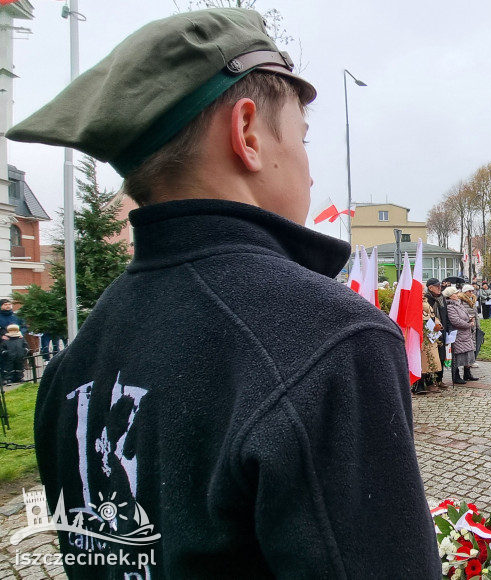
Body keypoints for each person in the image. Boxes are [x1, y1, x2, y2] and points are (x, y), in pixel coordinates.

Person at [6, 9, 440, 577]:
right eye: (303, 137)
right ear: (247, 133)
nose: (310, 173)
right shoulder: (333, 338)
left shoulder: (73, 363)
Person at [446, 286, 479, 384]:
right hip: (458, 334)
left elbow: (465, 314)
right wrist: (468, 324)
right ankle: (456, 375)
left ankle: (467, 373)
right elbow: (455, 320)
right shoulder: (450, 306)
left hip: (466, 334)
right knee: (458, 355)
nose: (457, 295)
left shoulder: (458, 304)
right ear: (450, 296)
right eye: (455, 293)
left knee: (468, 354)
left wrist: (470, 318)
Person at [416, 290, 445, 395]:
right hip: (421, 335)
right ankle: (418, 384)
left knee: (431, 359)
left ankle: (430, 382)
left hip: (431, 335)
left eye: (423, 290)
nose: (423, 292)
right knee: (423, 360)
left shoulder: (427, 302)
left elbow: (433, 316)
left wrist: (438, 324)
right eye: (420, 290)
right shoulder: (413, 303)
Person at [426, 278, 450, 387]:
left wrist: (447, 328)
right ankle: (431, 381)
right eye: (437, 286)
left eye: (440, 286)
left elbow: (445, 315)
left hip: (442, 330)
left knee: (442, 356)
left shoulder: (442, 298)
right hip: (431, 331)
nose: (439, 288)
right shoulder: (427, 299)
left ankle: (440, 379)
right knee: (432, 356)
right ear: (430, 288)